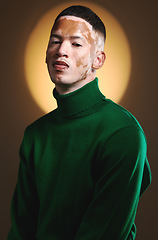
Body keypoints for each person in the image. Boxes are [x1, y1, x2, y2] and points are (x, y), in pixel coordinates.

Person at [8, 5, 151, 240]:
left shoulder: (123, 132)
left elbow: (105, 232)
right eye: (55, 41)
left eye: (76, 43)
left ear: (98, 60)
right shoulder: (35, 134)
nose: (61, 50)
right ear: (45, 53)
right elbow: (22, 228)